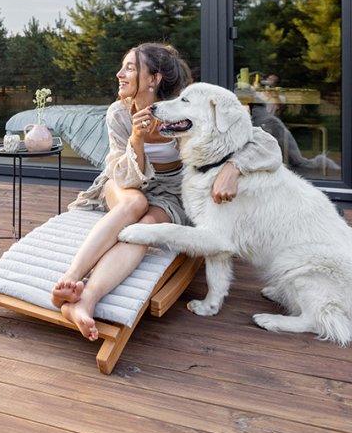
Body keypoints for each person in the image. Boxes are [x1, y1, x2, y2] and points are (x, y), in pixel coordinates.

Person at [51, 43, 283, 340]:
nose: (119, 74)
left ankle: (86, 299)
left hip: (173, 191)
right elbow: (120, 174)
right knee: (133, 206)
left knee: (148, 226)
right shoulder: (119, 113)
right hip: (129, 185)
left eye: (130, 68)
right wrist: (136, 140)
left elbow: (265, 143)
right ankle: (70, 280)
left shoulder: (186, 107)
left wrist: (232, 168)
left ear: (154, 79)